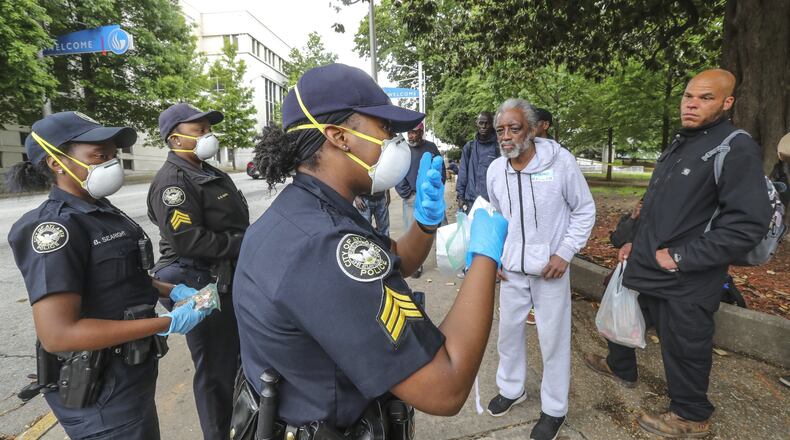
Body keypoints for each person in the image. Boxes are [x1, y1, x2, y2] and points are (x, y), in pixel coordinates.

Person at [233, 63, 508, 437]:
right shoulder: (325, 247)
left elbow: (397, 260)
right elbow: (446, 386)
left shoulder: (309, 209)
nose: (394, 142)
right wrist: (487, 257)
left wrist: (425, 223)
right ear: (338, 136)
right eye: (384, 129)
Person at [583, 69, 771, 437]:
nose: (692, 104)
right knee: (621, 310)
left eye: (705, 98)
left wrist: (681, 257)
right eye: (688, 96)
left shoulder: (734, 147)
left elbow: (747, 225)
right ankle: (620, 366)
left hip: (687, 275)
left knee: (684, 345)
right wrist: (632, 239)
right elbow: (655, 205)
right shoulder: (683, 142)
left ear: (727, 103)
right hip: (647, 260)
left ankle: (691, 415)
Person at [6, 111, 208, 439]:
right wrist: (167, 322)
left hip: (130, 376)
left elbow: (120, 277)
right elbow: (59, 334)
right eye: (99, 156)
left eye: (113, 155)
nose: (111, 164)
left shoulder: (101, 209)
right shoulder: (55, 229)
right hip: (100, 391)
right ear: (57, 163)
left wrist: (171, 291)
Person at [484, 99, 595, 440]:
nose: (506, 136)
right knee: (508, 335)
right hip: (512, 271)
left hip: (551, 272)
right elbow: (497, 216)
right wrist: (495, 257)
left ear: (532, 129)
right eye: (501, 129)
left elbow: (584, 210)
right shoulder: (495, 170)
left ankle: (554, 409)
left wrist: (564, 253)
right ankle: (512, 387)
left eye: (514, 128)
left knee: (553, 340)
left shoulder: (560, 163)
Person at [147, 103, 250, 440]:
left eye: (208, 128)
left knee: (233, 359)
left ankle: (239, 426)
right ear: (175, 139)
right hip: (198, 282)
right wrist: (245, 243)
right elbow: (189, 240)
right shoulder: (173, 182)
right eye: (200, 130)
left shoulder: (208, 171)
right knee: (215, 370)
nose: (209, 135)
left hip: (224, 275)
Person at [395, 121, 446, 277]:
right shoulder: (402, 150)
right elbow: (397, 173)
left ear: (421, 132)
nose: (411, 135)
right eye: (409, 132)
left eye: (414, 132)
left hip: (430, 196)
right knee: (413, 231)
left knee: (442, 229)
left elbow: (441, 169)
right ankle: (415, 265)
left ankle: (447, 259)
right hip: (412, 197)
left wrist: (436, 189)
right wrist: (407, 194)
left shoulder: (431, 148)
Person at [525, 107, 556, 326]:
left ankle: (541, 309)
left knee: (546, 275)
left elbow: (580, 206)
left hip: (549, 228)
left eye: (533, 122)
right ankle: (528, 305)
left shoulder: (560, 156)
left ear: (545, 125)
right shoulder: (523, 153)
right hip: (527, 225)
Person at [457, 111, 499, 213]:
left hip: (491, 204)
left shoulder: (498, 148)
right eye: (481, 123)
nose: (483, 126)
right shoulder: (469, 147)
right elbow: (462, 174)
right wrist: (460, 197)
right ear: (476, 124)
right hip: (470, 202)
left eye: (487, 123)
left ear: (492, 125)